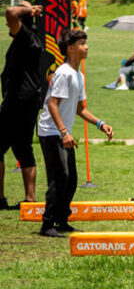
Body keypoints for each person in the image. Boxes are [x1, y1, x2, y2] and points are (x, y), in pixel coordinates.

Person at [37, 28, 113, 238]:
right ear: (70, 48)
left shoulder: (78, 75)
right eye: (82, 44)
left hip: (62, 132)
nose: (86, 47)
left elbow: (81, 109)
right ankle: (47, 224)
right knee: (60, 177)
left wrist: (100, 124)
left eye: (85, 43)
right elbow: (52, 104)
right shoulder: (64, 73)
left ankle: (62, 221)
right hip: (51, 132)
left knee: (71, 179)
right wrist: (64, 132)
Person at [0, 2, 44, 210]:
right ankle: (30, 200)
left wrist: (29, 9)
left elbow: (10, 12)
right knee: (22, 146)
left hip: (18, 100)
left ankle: (1, 198)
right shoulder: (31, 37)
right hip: (28, 99)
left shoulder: (25, 36)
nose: (7, 22)